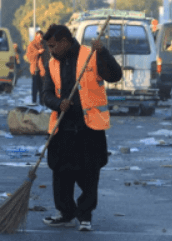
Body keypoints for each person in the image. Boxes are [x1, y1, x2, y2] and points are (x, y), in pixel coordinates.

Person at [41, 23, 122, 232]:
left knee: (89, 174)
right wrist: (59, 104)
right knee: (60, 173)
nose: (51, 50)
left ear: (65, 42)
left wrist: (103, 52)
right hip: (62, 128)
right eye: (49, 47)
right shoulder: (51, 63)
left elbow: (114, 75)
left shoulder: (91, 55)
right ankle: (66, 213)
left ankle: (85, 215)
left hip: (89, 126)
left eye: (53, 46)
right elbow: (46, 94)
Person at [26, 29, 48, 105]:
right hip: (35, 68)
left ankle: (42, 102)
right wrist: (37, 52)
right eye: (39, 37)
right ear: (36, 36)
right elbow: (29, 56)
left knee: (42, 86)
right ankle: (34, 101)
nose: (40, 39)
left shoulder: (45, 44)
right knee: (35, 86)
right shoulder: (32, 45)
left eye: (41, 37)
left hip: (43, 69)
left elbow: (48, 55)